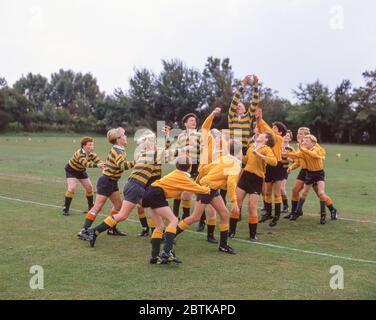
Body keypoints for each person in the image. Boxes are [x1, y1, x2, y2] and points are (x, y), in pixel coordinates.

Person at [86, 128, 180, 247]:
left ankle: (158, 235)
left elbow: (163, 152)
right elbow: (169, 153)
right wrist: (187, 149)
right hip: (135, 187)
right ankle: (94, 231)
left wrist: (166, 138)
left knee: (153, 208)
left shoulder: (146, 153)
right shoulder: (150, 154)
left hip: (135, 186)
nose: (156, 143)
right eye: (154, 142)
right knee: (123, 215)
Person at [176, 140, 242, 254]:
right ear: (239, 151)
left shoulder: (224, 158)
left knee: (225, 214)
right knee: (195, 217)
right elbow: (231, 184)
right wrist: (234, 202)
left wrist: (199, 181)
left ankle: (223, 245)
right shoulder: (235, 164)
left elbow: (205, 169)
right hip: (207, 188)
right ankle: (168, 234)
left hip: (210, 187)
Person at [142, 156, 211, 264]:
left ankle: (154, 257)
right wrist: (209, 188)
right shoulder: (183, 177)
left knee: (159, 226)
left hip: (148, 192)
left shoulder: (176, 173)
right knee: (174, 220)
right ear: (190, 167)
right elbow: (199, 189)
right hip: (156, 193)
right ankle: (167, 252)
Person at [77, 127, 135, 240]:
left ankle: (111, 228)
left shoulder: (121, 148)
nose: (126, 136)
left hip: (112, 181)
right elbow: (122, 165)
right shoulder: (117, 150)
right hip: (106, 181)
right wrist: (136, 162)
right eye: (124, 135)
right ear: (118, 139)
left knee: (118, 206)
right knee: (97, 206)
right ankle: (83, 231)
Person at [228, 133, 277, 240]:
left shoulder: (266, 149)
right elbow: (245, 161)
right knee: (237, 204)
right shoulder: (251, 146)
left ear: (266, 139)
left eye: (262, 135)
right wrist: (238, 151)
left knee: (252, 206)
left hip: (257, 180)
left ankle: (252, 234)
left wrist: (259, 155)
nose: (259, 135)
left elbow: (274, 162)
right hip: (245, 176)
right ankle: (231, 232)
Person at [283, 135, 338, 224]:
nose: (303, 142)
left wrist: (302, 148)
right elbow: (296, 155)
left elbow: (314, 155)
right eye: (303, 141)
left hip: (319, 174)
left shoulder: (316, 149)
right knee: (304, 193)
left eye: (306, 141)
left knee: (320, 193)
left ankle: (323, 215)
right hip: (309, 174)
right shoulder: (304, 151)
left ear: (313, 143)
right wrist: (286, 154)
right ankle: (297, 211)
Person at [256, 109, 288, 227]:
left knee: (277, 193)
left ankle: (276, 216)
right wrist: (258, 120)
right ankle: (268, 213)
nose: (272, 129)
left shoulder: (279, 139)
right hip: (268, 166)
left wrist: (261, 119)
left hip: (278, 166)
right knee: (267, 192)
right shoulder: (269, 138)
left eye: (274, 128)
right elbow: (262, 131)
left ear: (280, 132)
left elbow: (267, 130)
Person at [63, 137, 106, 216]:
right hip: (71, 170)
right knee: (71, 188)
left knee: (89, 188)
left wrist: (105, 164)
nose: (92, 146)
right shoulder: (79, 153)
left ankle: (91, 208)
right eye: (90, 145)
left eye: (92, 144)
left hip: (81, 171)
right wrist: (97, 165)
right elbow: (86, 164)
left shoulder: (92, 154)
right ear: (84, 146)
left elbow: (98, 161)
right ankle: (66, 209)